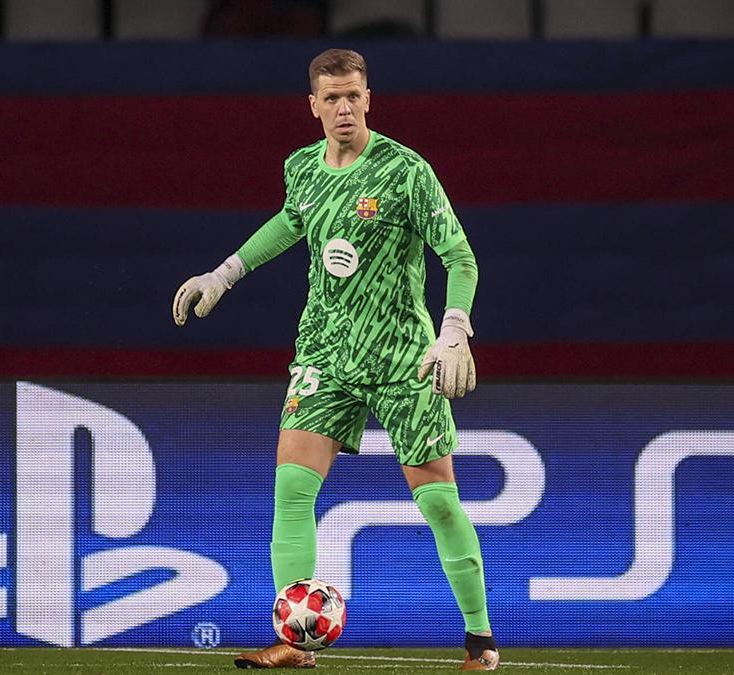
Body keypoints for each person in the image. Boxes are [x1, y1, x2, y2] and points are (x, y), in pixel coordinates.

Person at [172, 48, 496, 671]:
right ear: (313, 104)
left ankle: (480, 641)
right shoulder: (302, 167)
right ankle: (294, 644)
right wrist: (225, 272)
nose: (344, 107)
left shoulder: (405, 171)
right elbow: (292, 222)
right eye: (332, 98)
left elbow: (460, 258)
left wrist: (454, 329)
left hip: (404, 355)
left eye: (354, 96)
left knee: (438, 502)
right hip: (325, 349)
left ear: (368, 99)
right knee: (291, 489)